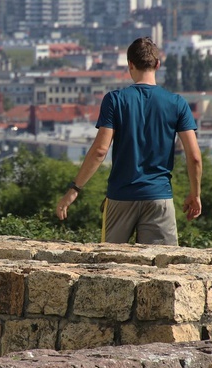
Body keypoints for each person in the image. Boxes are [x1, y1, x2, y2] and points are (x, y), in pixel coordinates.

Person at [55, 36, 202, 246]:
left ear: (130, 64)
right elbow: (195, 157)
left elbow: (99, 151)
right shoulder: (177, 103)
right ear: (157, 65)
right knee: (162, 269)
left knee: (110, 266)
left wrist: (73, 190)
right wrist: (195, 194)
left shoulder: (115, 100)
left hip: (120, 197)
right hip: (159, 196)